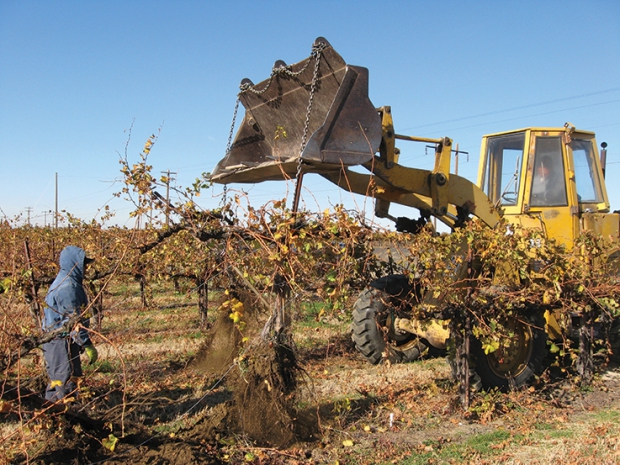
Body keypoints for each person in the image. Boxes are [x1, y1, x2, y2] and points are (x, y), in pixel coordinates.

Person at [41, 246, 98, 401]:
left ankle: (69, 413)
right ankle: (58, 415)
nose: (86, 268)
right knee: (63, 380)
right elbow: (73, 321)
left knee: (70, 377)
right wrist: (86, 343)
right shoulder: (68, 288)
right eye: (83, 265)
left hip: (62, 339)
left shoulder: (68, 280)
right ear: (74, 264)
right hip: (59, 341)